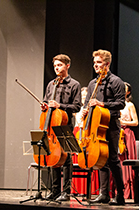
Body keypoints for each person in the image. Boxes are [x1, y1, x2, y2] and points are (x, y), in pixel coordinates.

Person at [82, 49, 126, 205]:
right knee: (101, 160)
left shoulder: (116, 81)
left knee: (113, 160)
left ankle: (120, 195)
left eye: (99, 62)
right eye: (94, 63)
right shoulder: (92, 83)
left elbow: (121, 104)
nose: (96, 66)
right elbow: (87, 102)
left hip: (112, 124)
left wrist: (103, 104)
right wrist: (85, 110)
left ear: (107, 64)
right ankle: (104, 193)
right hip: (96, 126)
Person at [41, 54, 82, 202]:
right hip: (52, 125)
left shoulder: (74, 85)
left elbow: (77, 106)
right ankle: (54, 190)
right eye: (55, 66)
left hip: (65, 125)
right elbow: (46, 101)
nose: (56, 68)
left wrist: (60, 106)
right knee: (53, 157)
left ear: (67, 65)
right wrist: (45, 106)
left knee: (66, 158)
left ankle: (66, 191)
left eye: (59, 65)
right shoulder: (51, 84)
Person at [119, 82, 139, 199]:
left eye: (124, 90)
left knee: (127, 161)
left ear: (128, 92)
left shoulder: (129, 105)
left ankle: (128, 190)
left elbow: (135, 122)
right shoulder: (115, 104)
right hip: (117, 133)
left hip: (127, 134)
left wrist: (123, 122)